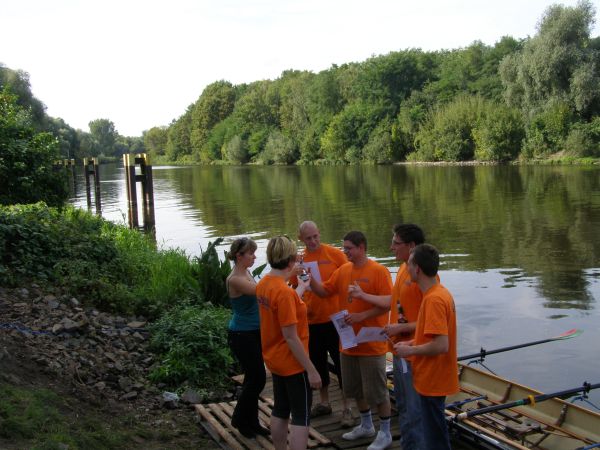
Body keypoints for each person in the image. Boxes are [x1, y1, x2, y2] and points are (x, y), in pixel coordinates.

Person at [310, 231, 393, 450]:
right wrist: (308, 279)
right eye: (344, 247)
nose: (345, 251)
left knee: (377, 392)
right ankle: (366, 425)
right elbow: (323, 291)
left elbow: (388, 302)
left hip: (372, 344)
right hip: (348, 343)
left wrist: (361, 316)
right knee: (354, 389)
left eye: (349, 248)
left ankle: (385, 433)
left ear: (362, 247)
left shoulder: (378, 271)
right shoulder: (343, 270)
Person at [257, 235, 322, 450]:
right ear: (291, 259)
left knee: (281, 409)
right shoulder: (283, 292)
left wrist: (301, 288)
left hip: (274, 359)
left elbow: (284, 305)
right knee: (301, 416)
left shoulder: (265, 283)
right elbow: (291, 336)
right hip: (293, 364)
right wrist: (311, 370)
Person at [394, 244, 459, 450]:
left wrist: (411, 351)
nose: (407, 268)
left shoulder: (434, 300)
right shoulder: (438, 293)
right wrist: (411, 342)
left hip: (433, 379)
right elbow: (430, 337)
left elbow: (441, 345)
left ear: (418, 269)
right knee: (434, 433)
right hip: (430, 378)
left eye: (410, 264)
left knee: (435, 440)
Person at [296, 221, 353, 426]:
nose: (313, 241)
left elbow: (351, 275)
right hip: (312, 320)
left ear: (320, 234)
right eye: (308, 238)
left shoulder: (335, 254)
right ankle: (324, 402)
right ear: (300, 238)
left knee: (341, 363)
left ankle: (347, 408)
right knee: (318, 362)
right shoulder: (299, 261)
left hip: (336, 319)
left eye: (315, 236)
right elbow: (294, 289)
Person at [383, 224, 427, 450]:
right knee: (404, 408)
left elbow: (433, 324)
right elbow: (396, 305)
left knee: (415, 411)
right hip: (399, 352)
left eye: (396, 243)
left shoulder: (424, 275)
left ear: (411, 246)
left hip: (415, 354)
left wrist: (401, 329)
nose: (391, 247)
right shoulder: (402, 269)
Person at [225, 237, 269, 438]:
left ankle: (252, 423)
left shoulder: (247, 273)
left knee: (252, 378)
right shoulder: (235, 279)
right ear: (238, 256)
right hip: (241, 334)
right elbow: (261, 291)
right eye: (250, 253)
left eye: (254, 252)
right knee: (258, 378)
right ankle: (240, 417)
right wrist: (285, 274)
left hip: (253, 332)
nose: (254, 256)